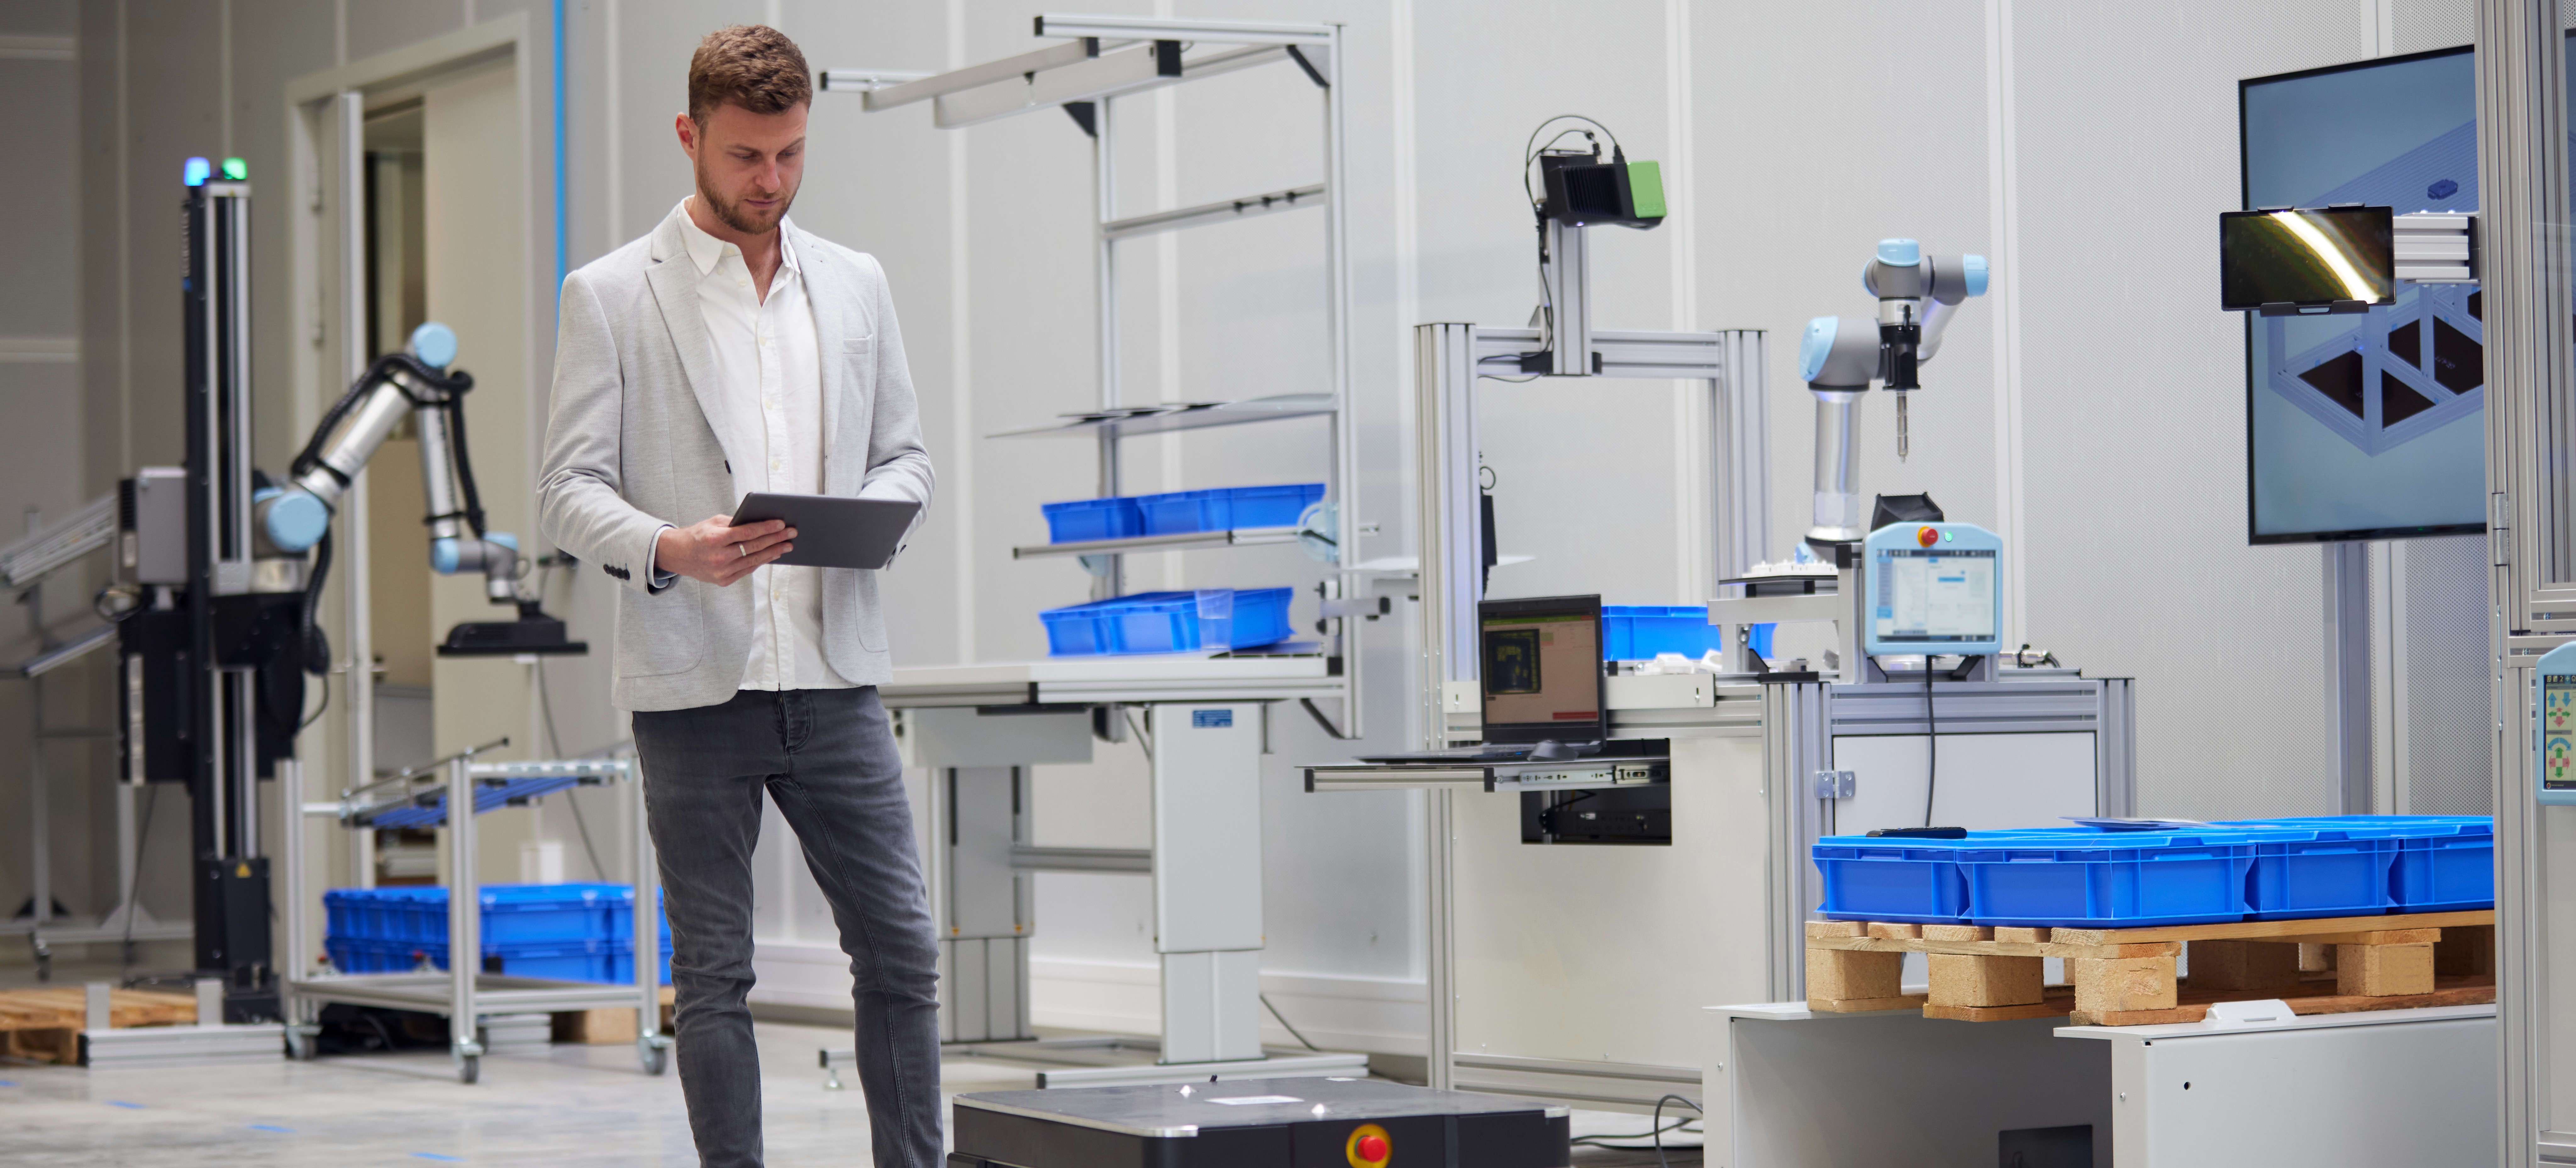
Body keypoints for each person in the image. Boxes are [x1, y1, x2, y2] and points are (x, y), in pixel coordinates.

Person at [537, 24, 940, 1168]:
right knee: (715, 974)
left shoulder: (855, 284)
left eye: (792, 156)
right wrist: (670, 544)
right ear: (691, 137)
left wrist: (881, 513)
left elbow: (906, 454)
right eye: (747, 158)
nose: (771, 182)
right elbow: (565, 490)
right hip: (693, 682)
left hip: (836, 677)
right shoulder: (613, 294)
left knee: (903, 951)